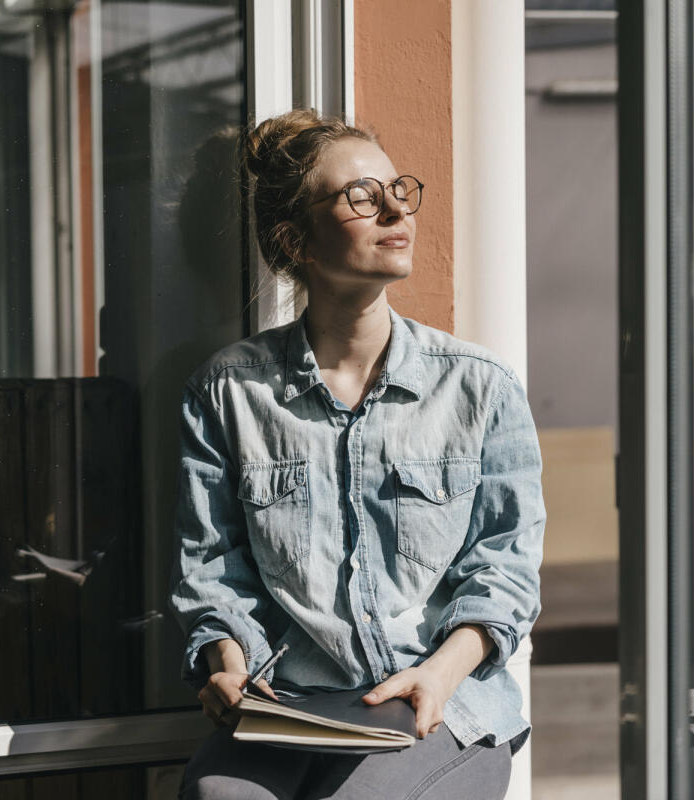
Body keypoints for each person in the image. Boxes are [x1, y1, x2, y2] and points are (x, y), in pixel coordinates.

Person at [168, 109, 545, 800]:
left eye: (397, 190)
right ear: (296, 240)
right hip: (294, 704)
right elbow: (213, 570)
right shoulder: (227, 391)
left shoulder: (478, 386)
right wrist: (226, 663)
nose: (395, 209)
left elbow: (506, 570)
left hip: (441, 701)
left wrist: (438, 674)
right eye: (362, 197)